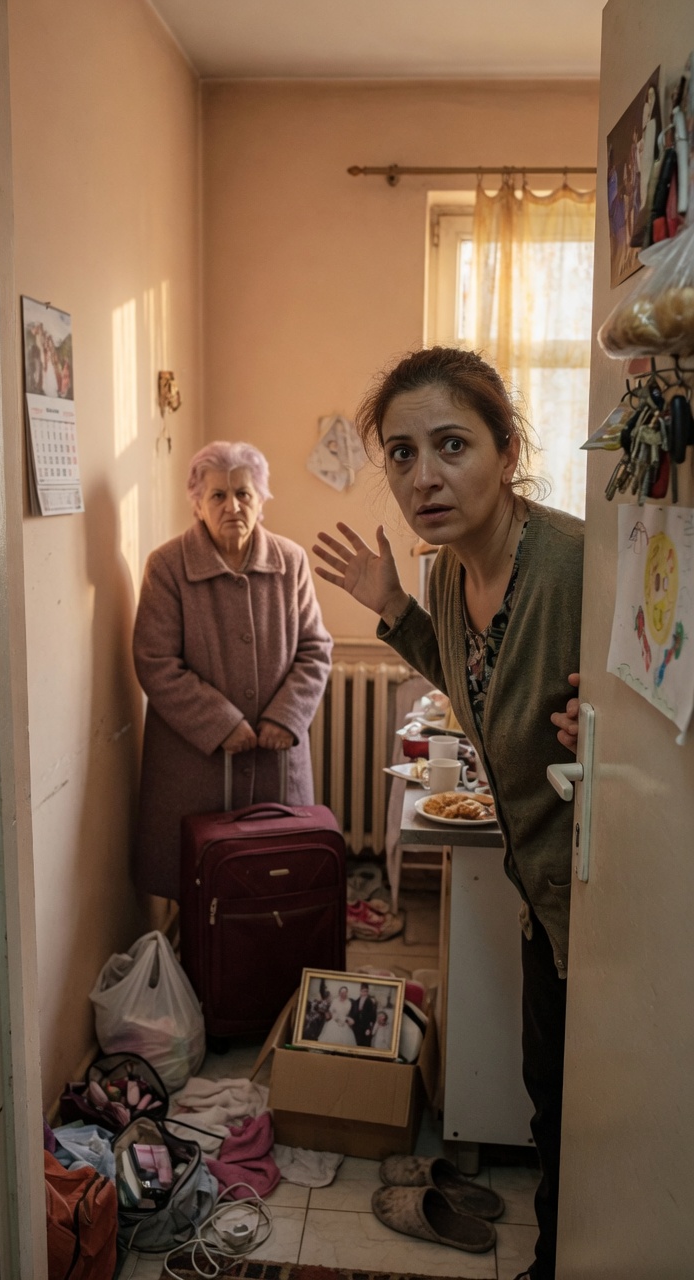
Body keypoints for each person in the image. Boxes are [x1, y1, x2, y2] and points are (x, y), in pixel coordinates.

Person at [313, 346, 581, 1280]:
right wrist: (394, 607)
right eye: (402, 454)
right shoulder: (444, 577)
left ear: (509, 452)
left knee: (598, 1117)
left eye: (452, 445)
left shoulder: (576, 565)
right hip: (544, 895)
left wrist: (617, 730)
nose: (423, 476)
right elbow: (474, 689)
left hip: (609, 904)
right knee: (550, 1096)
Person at [133, 440, 332, 910]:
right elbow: (156, 661)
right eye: (218, 495)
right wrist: (221, 724)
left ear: (261, 500)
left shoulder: (290, 561)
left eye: (244, 493)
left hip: (275, 760)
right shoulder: (167, 567)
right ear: (197, 503)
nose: (233, 506)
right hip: (193, 768)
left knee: (274, 878)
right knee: (201, 884)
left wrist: (286, 717)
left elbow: (315, 647)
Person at [350, 982, 377, 1046]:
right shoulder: (356, 1002)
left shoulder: (370, 1002)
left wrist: (369, 1028)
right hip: (357, 1028)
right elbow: (353, 1014)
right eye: (363, 991)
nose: (364, 993)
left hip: (366, 1028)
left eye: (366, 991)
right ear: (360, 991)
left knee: (365, 1044)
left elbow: (373, 1017)